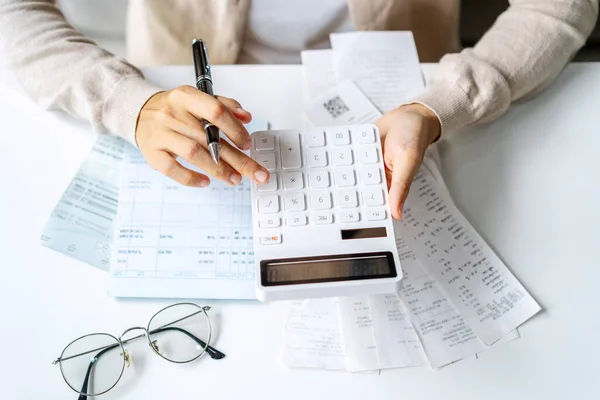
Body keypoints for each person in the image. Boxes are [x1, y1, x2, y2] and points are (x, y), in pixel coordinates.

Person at [0, 0, 597, 220]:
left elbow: (562, 7)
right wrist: (126, 101)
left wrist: (439, 105)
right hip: (184, 86)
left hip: (402, 88)